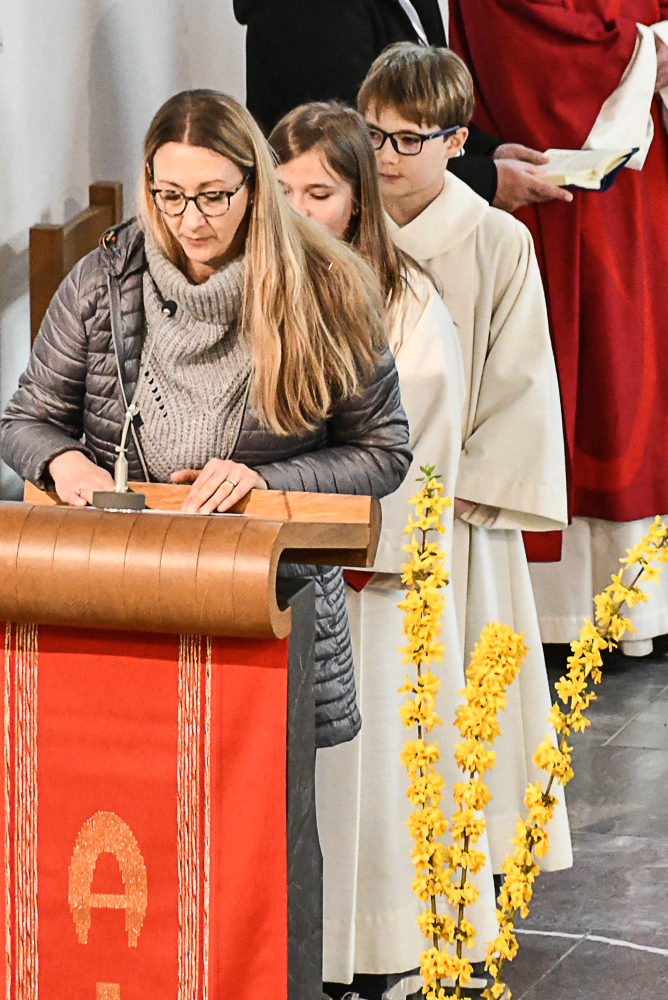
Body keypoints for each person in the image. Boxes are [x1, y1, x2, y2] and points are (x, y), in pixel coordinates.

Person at [0, 88, 413, 751]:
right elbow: (26, 420)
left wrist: (263, 480)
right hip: (126, 595)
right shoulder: (103, 281)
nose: (190, 220)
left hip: (269, 599)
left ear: (254, 186)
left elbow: (382, 451)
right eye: (170, 195)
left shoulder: (326, 286)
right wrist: (63, 461)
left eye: (214, 196)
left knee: (256, 810)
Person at [270, 101, 499, 1000]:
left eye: (318, 193)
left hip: (372, 577)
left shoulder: (405, 303)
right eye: (282, 191)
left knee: (381, 777)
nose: (298, 211)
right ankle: (307, 948)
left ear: (358, 201)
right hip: (281, 569)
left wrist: (355, 542)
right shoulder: (263, 286)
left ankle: (381, 946)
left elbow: (419, 446)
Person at [358, 42, 574, 957]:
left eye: (407, 139)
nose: (385, 157)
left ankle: (470, 857)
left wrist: (463, 497)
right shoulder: (342, 234)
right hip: (362, 506)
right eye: (372, 135)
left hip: (456, 518)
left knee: (461, 701)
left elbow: (520, 384)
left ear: (456, 140)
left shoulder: (494, 240)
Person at [449, 1, 668, 658]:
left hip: (643, 177)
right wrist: (642, 56)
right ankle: (568, 611)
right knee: (587, 380)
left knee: (639, 381)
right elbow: (528, 47)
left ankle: (645, 601)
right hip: (556, 184)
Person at [233, 0, 573, 211]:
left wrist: (490, 152)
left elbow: (425, 107)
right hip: (333, 228)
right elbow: (358, 142)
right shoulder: (309, 9)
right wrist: (488, 180)